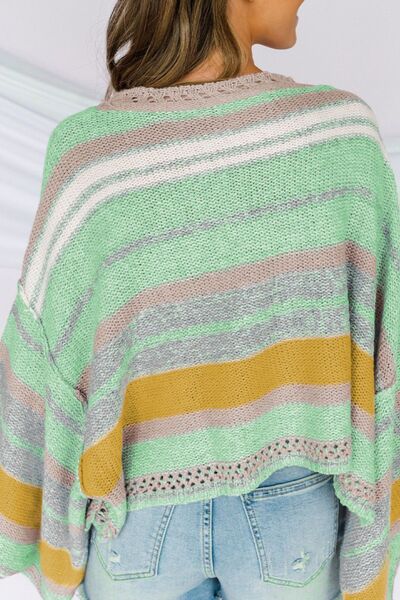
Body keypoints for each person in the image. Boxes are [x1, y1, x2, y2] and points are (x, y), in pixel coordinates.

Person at [0, 1, 399, 600]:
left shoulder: (92, 159)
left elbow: (44, 361)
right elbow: (385, 351)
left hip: (138, 524)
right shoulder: (339, 136)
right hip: (293, 508)